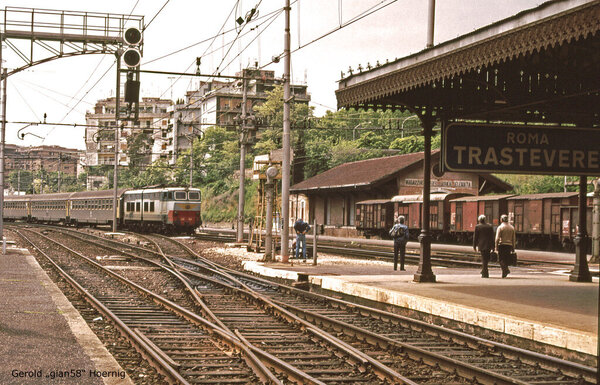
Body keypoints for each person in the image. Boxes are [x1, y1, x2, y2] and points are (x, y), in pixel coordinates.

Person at [495, 214, 516, 278]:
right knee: (506, 259)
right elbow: (514, 239)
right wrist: (513, 248)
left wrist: (496, 247)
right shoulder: (512, 227)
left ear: (501, 219)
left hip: (502, 245)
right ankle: (504, 273)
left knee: (501, 259)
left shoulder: (500, 227)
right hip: (509, 245)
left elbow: (497, 238)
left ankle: (505, 270)